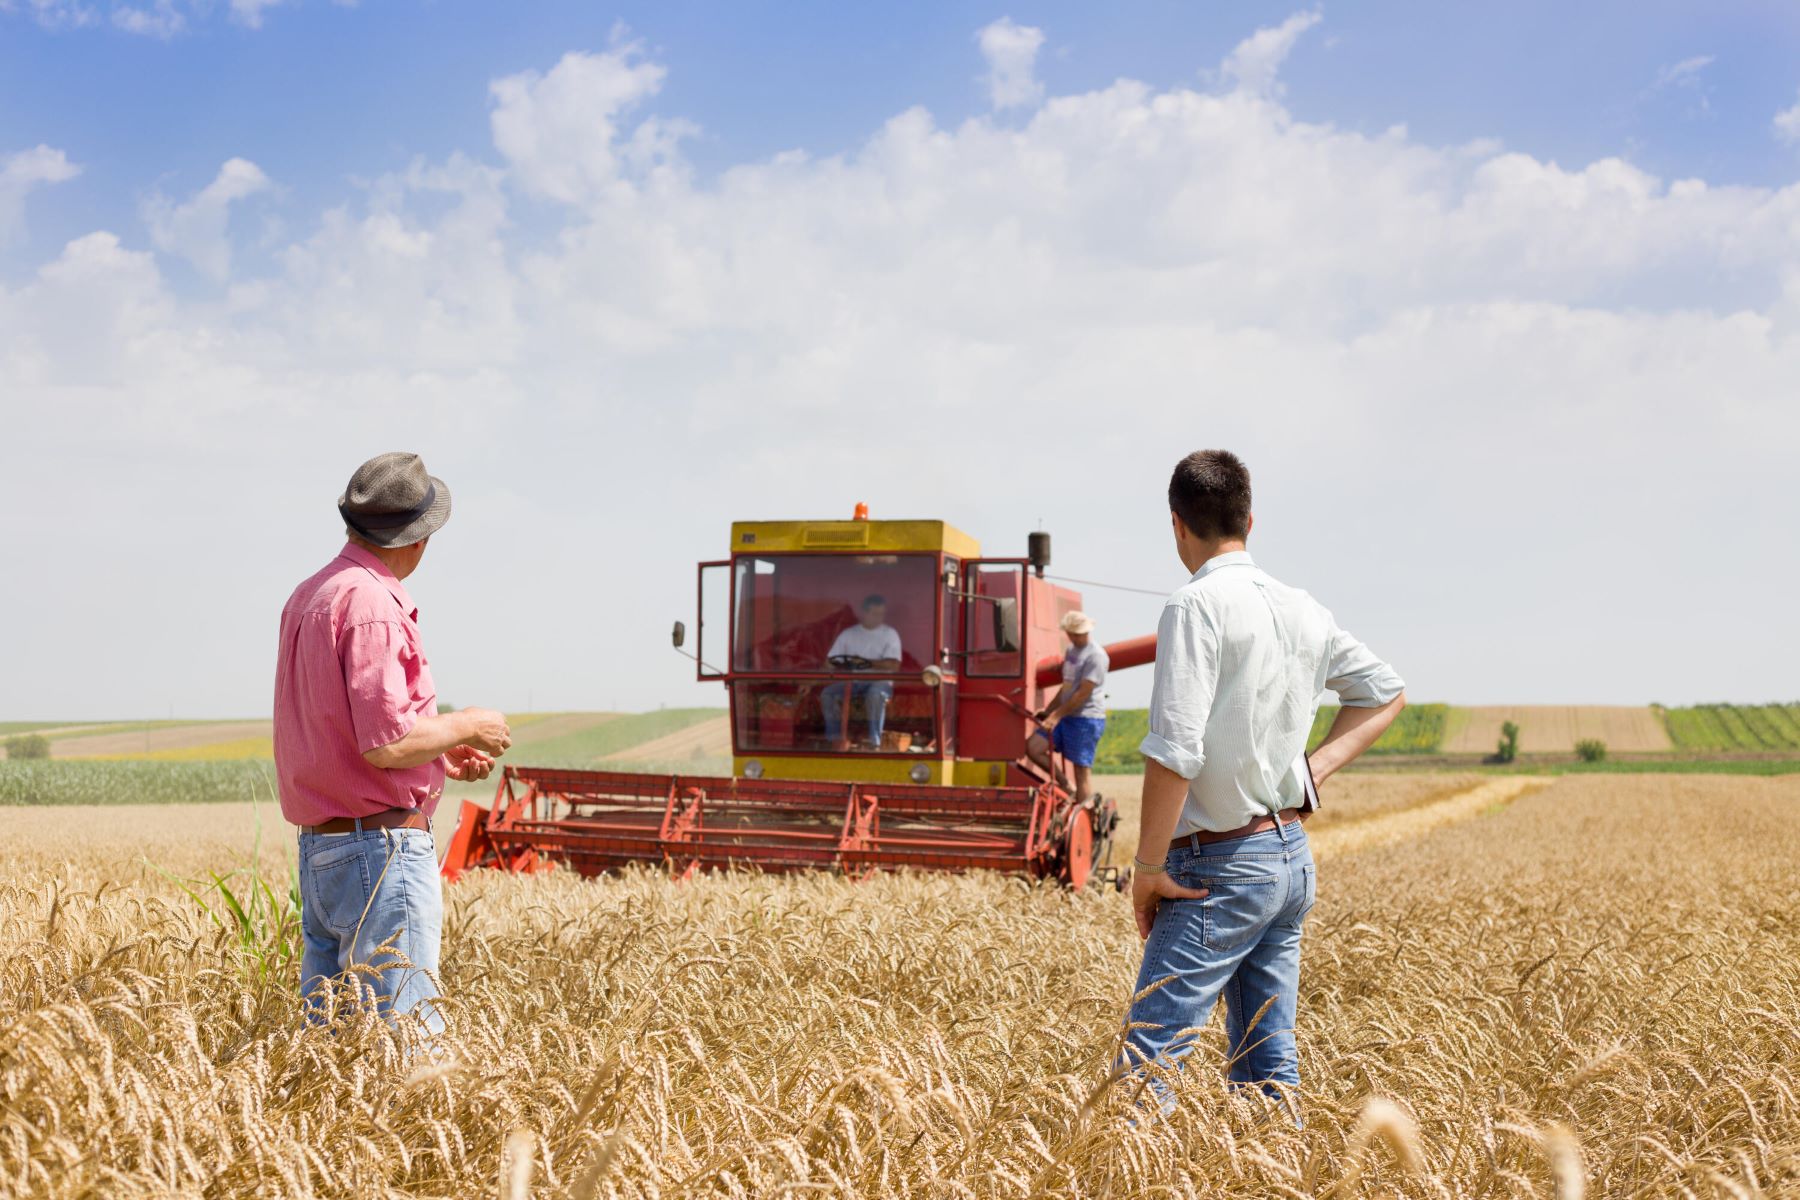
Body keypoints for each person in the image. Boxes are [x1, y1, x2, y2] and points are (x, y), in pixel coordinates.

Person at [1122, 449, 1405, 1123]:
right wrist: (1313, 770)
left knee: (1144, 1072)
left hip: (1217, 865)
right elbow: (1386, 693)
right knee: (1268, 1067)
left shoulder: (1194, 606)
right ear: (1249, 519)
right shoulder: (1302, 608)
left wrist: (1147, 867)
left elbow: (1175, 750)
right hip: (1287, 861)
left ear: (1176, 525)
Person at [273, 451, 513, 1032]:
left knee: (331, 1047)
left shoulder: (311, 594)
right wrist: (467, 723)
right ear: (419, 538)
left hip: (321, 853)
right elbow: (384, 744)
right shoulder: (374, 605)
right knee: (401, 1043)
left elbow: (347, 731)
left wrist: (436, 750)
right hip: (379, 853)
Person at [1027, 611, 1109, 803]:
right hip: (1066, 715)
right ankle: (1065, 785)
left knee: (1081, 771)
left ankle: (1085, 819)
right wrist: (1048, 711)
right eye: (1072, 633)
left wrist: (1055, 716)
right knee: (1033, 747)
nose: (1074, 636)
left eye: (1078, 633)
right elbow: (1067, 687)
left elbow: (1082, 693)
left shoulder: (1096, 656)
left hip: (1087, 718)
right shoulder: (1071, 651)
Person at [820, 594, 902, 749]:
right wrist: (812, 680)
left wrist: (865, 662)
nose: (879, 618)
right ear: (864, 613)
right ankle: (834, 739)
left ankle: (874, 742)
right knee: (828, 694)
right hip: (854, 682)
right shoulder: (849, 634)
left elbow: (894, 665)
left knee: (875, 695)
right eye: (875, 614)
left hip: (880, 683)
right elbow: (830, 661)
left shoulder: (890, 634)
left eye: (881, 614)